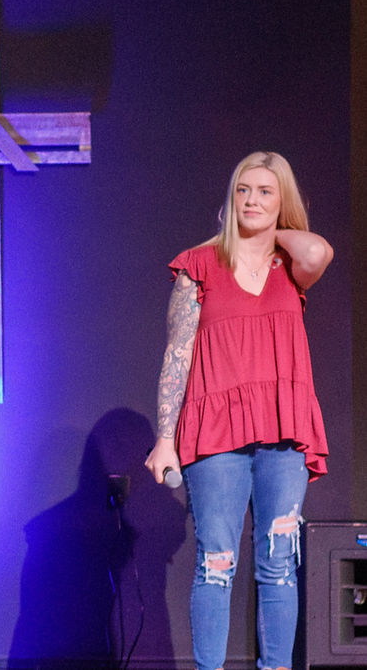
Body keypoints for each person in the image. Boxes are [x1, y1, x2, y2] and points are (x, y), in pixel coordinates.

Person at [145, 151, 332, 670]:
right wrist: (165, 437)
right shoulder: (199, 265)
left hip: (283, 428)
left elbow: (319, 250)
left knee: (279, 565)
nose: (251, 200)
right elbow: (177, 354)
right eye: (243, 190)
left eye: (265, 192)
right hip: (215, 431)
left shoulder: (291, 267)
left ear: (282, 200)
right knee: (216, 564)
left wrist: (273, 230)